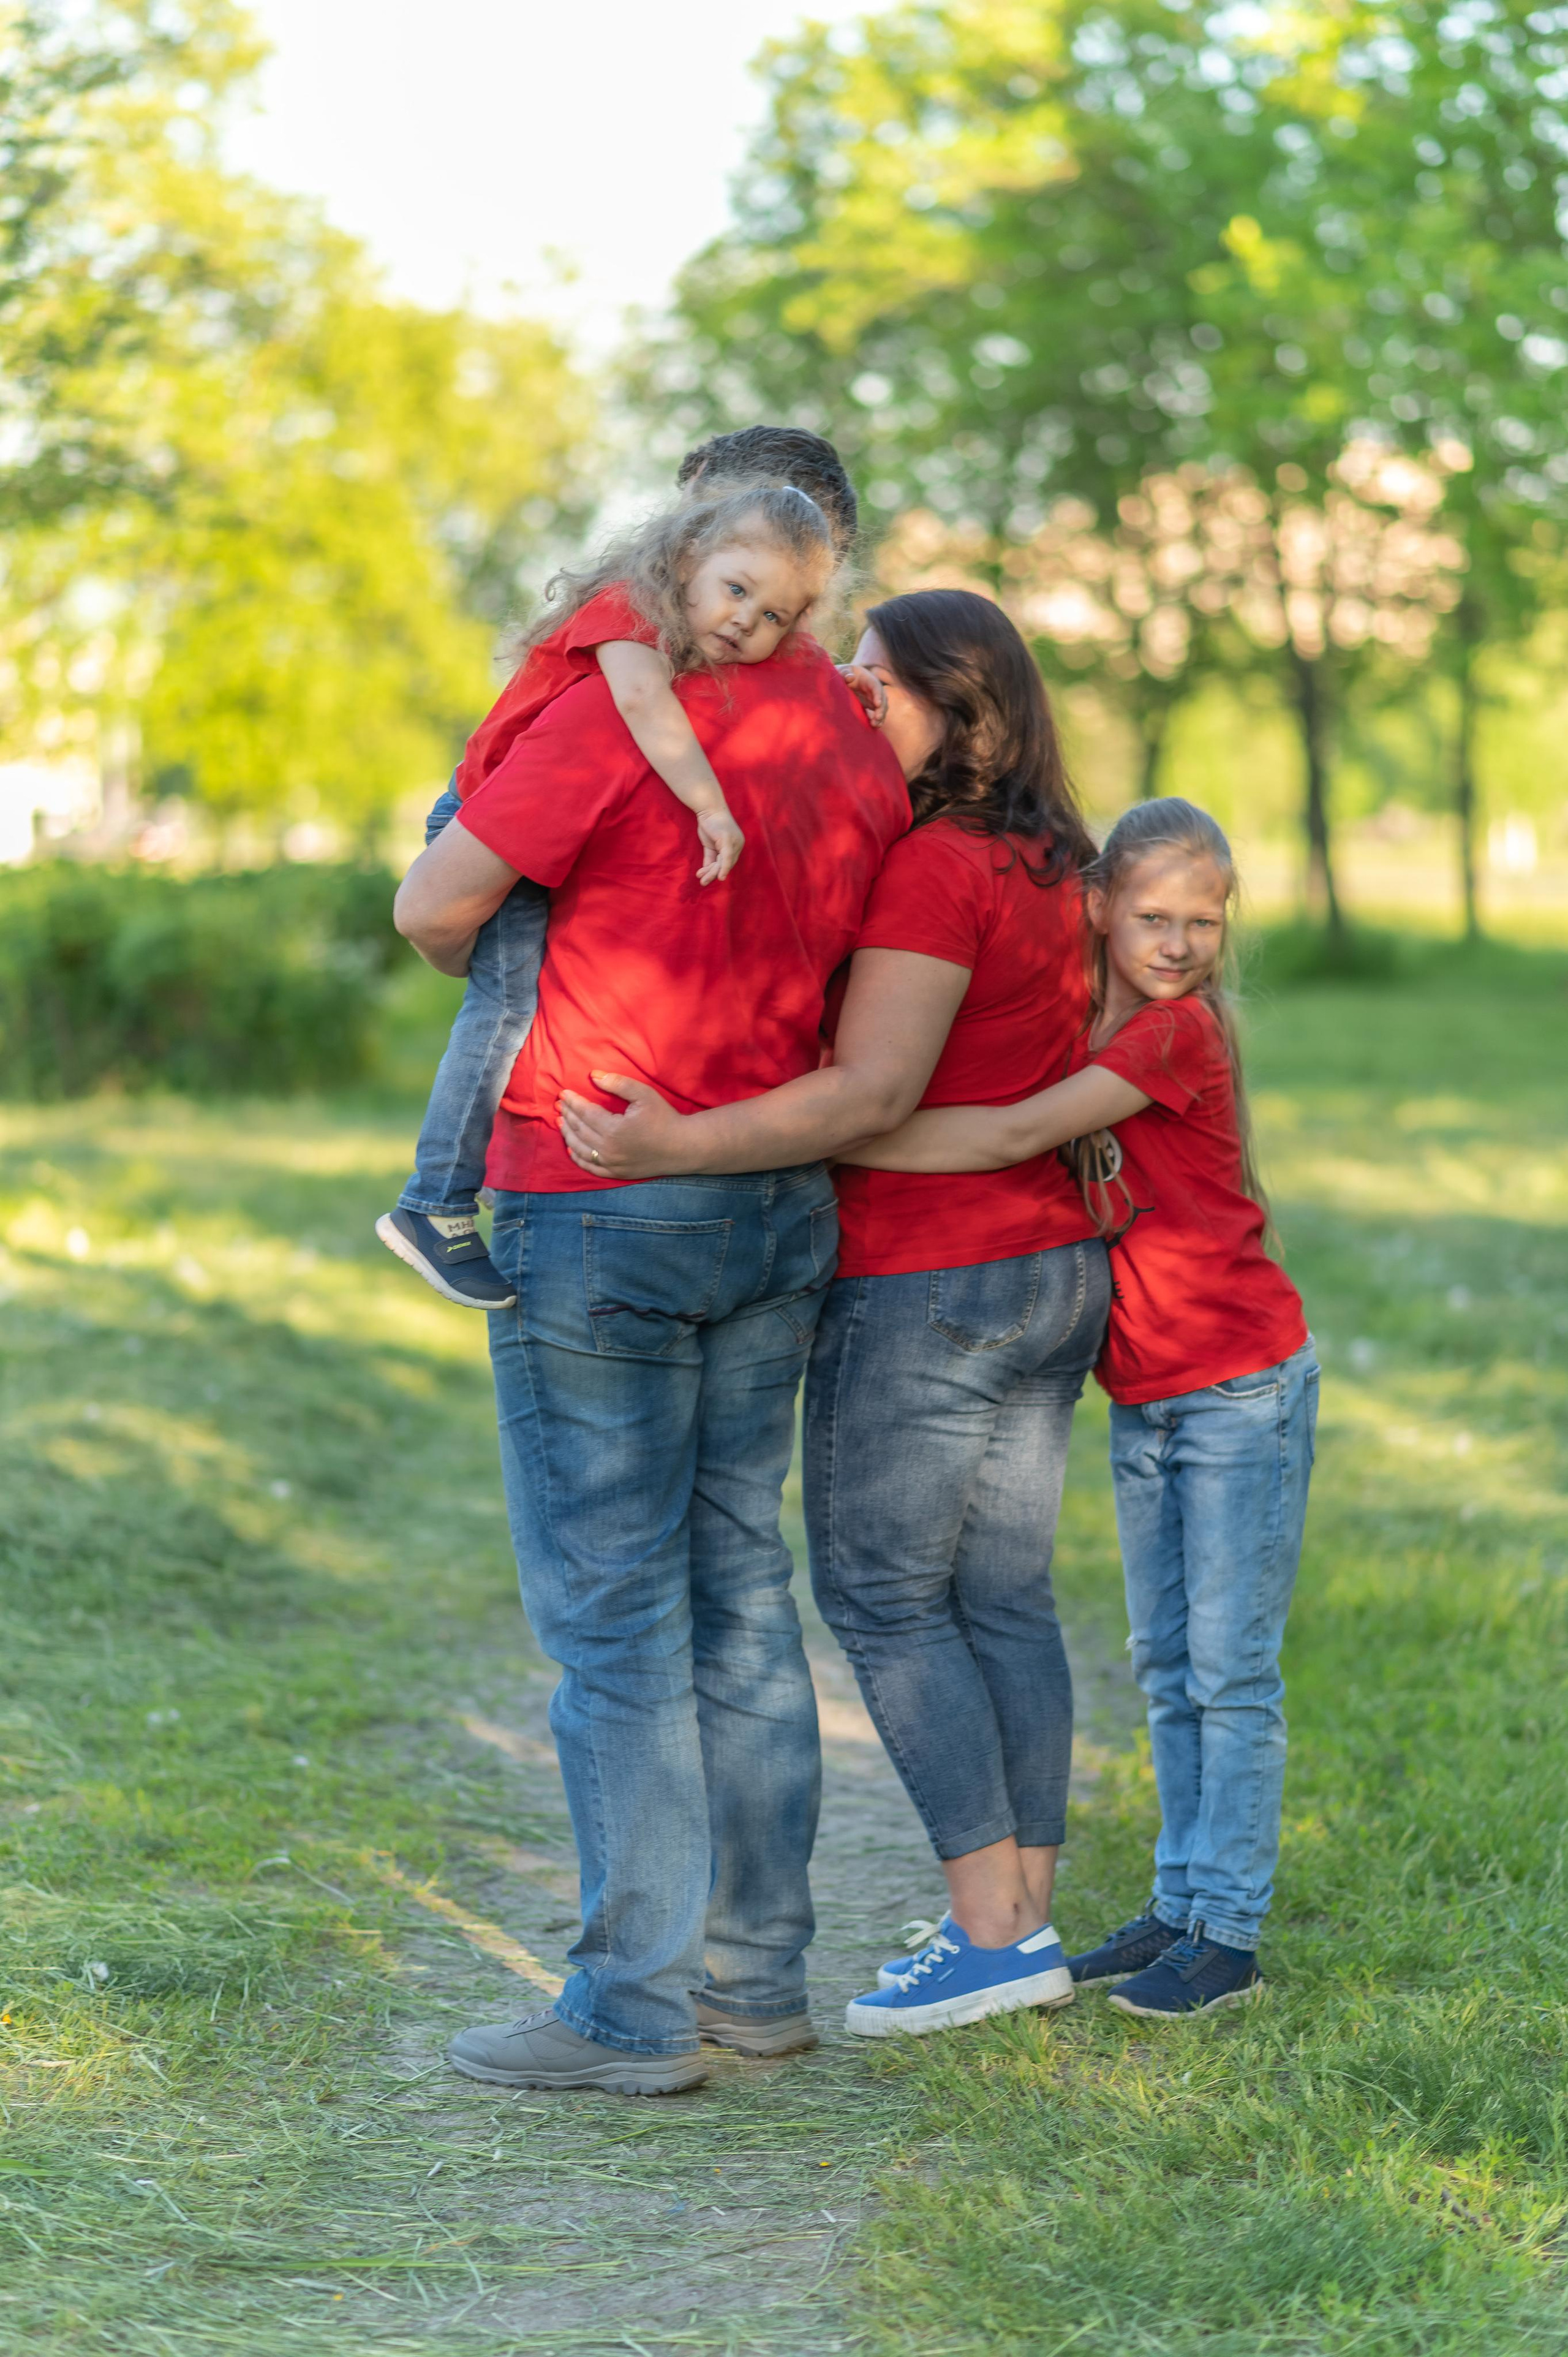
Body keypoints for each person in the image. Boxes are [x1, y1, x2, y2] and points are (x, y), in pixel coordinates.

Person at [392, 548, 910, 2096]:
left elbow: (435, 905)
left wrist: (519, 962)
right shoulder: (851, 725)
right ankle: (754, 1984)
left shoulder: (624, 705)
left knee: (616, 1617)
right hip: (775, 1188)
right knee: (742, 1589)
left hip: (600, 1182)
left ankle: (628, 2010)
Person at [558, 589, 1110, 2040]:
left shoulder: (937, 867)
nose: (853, 691)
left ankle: (990, 1933)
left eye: (878, 677)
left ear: (961, 705)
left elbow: (868, 1094)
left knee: (880, 1596)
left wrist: (676, 1138)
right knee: (998, 1597)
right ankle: (1019, 1921)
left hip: (933, 1286)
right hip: (1048, 1270)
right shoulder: (1059, 857)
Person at [835, 797, 1316, 2019]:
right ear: (1096, 908)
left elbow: (1010, 1131)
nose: (1175, 943)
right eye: (1150, 917)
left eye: (1201, 922)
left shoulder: (1174, 1036)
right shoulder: (1094, 1019)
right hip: (1150, 1398)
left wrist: (841, 1131)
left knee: (1228, 1669)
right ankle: (1180, 1903)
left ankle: (1230, 1933)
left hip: (1234, 1391)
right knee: (1164, 1663)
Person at [378, 428, 861, 1312]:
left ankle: (446, 1193)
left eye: (777, 617)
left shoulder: (734, 651)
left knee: (509, 996)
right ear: (688, 548)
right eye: (738, 591)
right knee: (509, 1000)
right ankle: (433, 1203)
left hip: (641, 1183)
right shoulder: (630, 620)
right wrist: (712, 807)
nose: (744, 624)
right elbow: (640, 701)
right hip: (479, 808)